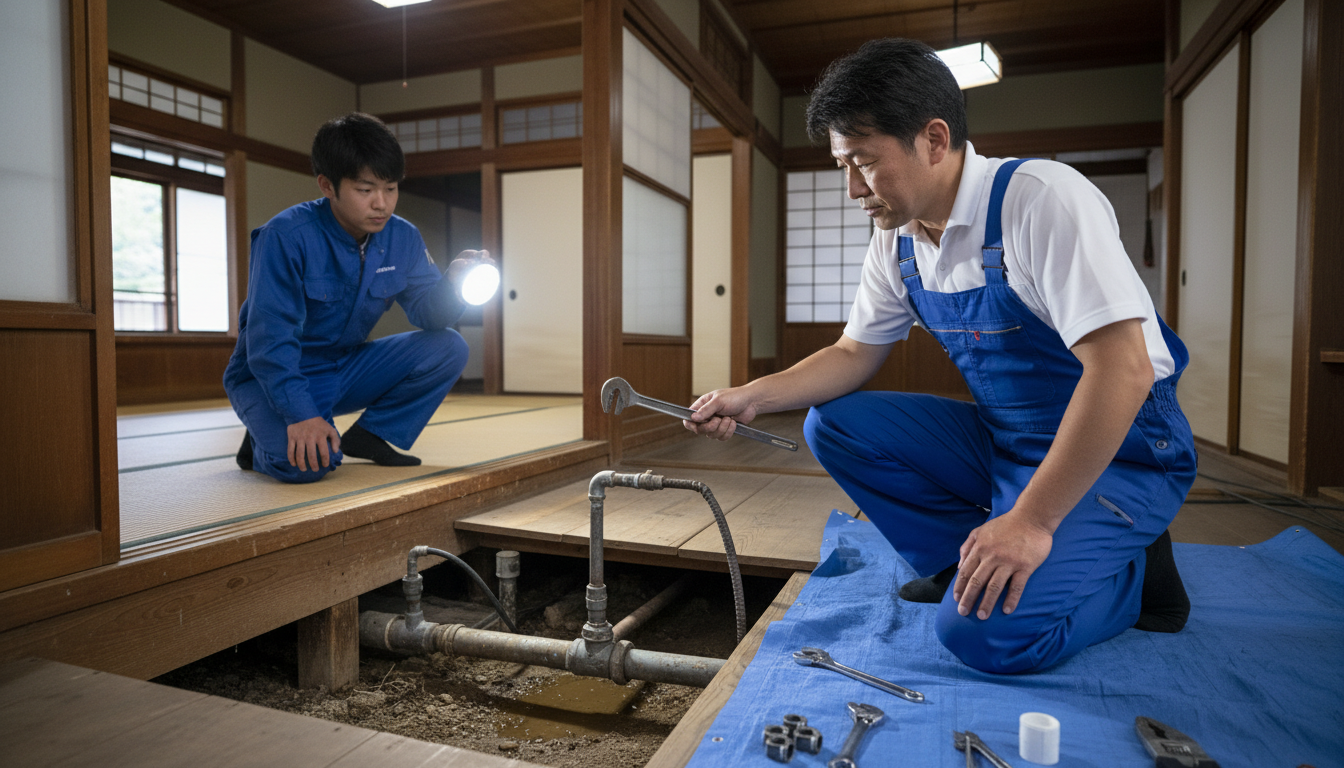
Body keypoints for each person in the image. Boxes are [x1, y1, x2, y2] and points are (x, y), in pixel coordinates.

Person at [685, 39, 1197, 674]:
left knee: (987, 637)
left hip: (1125, 450)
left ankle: (1134, 575)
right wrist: (750, 395)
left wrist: (1032, 521)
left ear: (933, 139)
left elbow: (1123, 367)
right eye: (842, 165)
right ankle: (961, 562)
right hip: (1008, 440)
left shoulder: (1039, 200)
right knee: (835, 422)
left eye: (864, 163)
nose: (851, 189)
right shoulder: (897, 240)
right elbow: (852, 353)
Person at [224, 112, 488, 484]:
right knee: (308, 465)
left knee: (449, 346)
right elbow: (270, 341)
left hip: (343, 366)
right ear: (327, 185)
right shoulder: (284, 236)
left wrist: (453, 283)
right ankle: (261, 439)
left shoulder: (403, 237)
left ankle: (371, 434)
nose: (382, 203)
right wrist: (300, 415)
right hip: (272, 373)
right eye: (366, 190)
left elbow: (429, 315)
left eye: (391, 188)